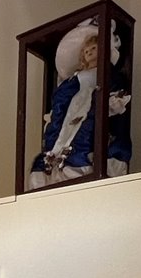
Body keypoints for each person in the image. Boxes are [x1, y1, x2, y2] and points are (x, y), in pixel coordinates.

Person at [28, 23, 132, 189]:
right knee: (63, 138)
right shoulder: (75, 78)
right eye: (86, 51)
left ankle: (78, 165)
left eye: (94, 48)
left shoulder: (108, 74)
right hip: (75, 107)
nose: (90, 53)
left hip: (89, 107)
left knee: (84, 137)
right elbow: (62, 99)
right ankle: (56, 167)